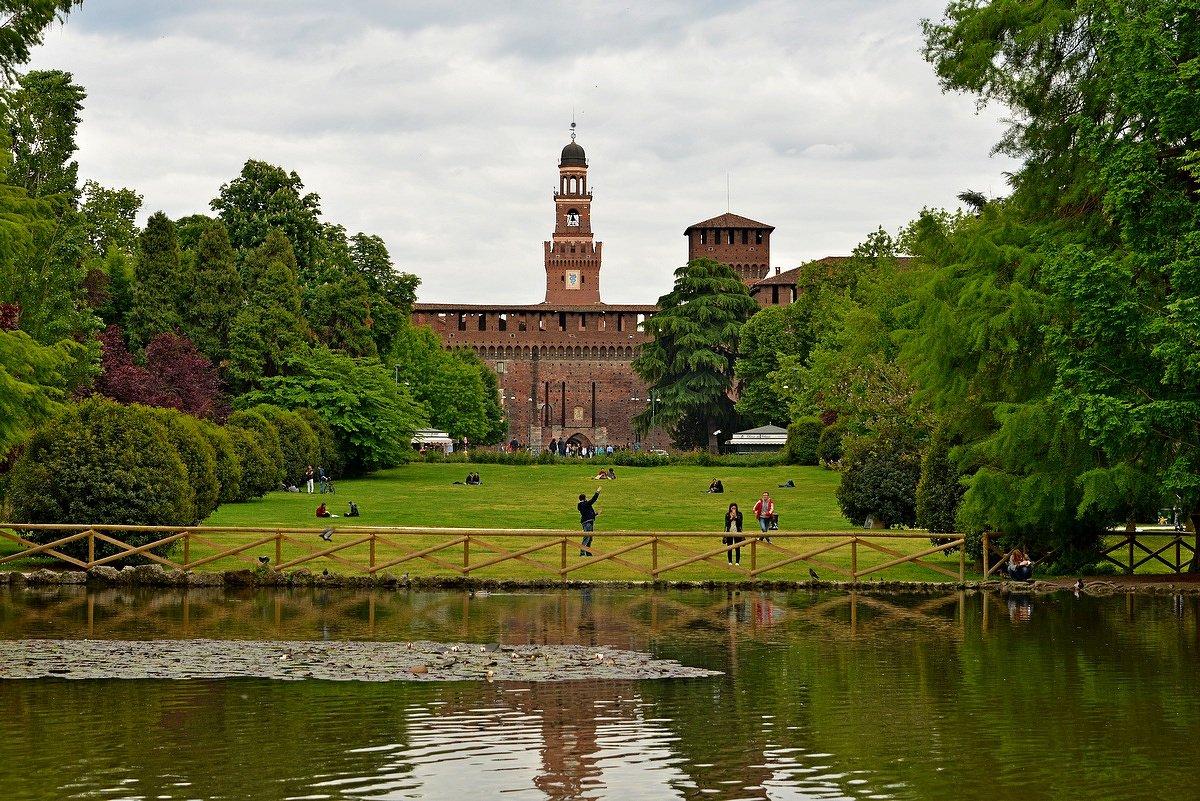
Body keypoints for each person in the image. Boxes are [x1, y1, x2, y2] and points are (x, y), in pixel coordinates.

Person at [578, 486, 601, 556]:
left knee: (589, 538)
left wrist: (596, 514)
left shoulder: (582, 505)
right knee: (587, 537)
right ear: (584, 498)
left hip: (588, 522)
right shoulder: (584, 504)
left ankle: (588, 552)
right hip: (587, 523)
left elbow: (588, 514)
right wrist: (597, 492)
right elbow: (593, 500)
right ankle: (582, 552)